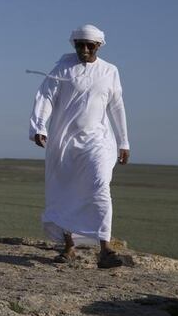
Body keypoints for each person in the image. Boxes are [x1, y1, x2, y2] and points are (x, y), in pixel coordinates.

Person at [29, 24, 130, 268]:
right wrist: (39, 127)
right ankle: (69, 247)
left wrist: (123, 141)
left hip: (99, 140)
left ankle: (105, 249)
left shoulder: (110, 71)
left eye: (89, 45)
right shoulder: (62, 69)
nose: (84, 49)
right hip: (65, 142)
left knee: (99, 186)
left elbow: (116, 106)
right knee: (65, 191)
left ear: (99, 46)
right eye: (79, 45)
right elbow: (45, 97)